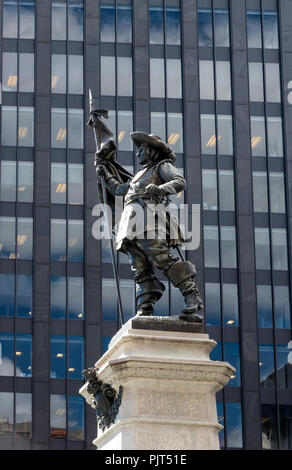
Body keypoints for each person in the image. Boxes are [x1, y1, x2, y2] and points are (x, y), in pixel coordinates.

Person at [96, 132, 204, 323]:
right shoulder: (139, 175)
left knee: (161, 257)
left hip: (149, 219)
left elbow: (180, 182)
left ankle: (192, 296)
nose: (138, 154)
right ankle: (145, 307)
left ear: (153, 151)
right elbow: (121, 190)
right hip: (130, 224)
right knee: (139, 267)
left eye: (142, 149)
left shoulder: (162, 166)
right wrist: (104, 173)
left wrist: (160, 189)